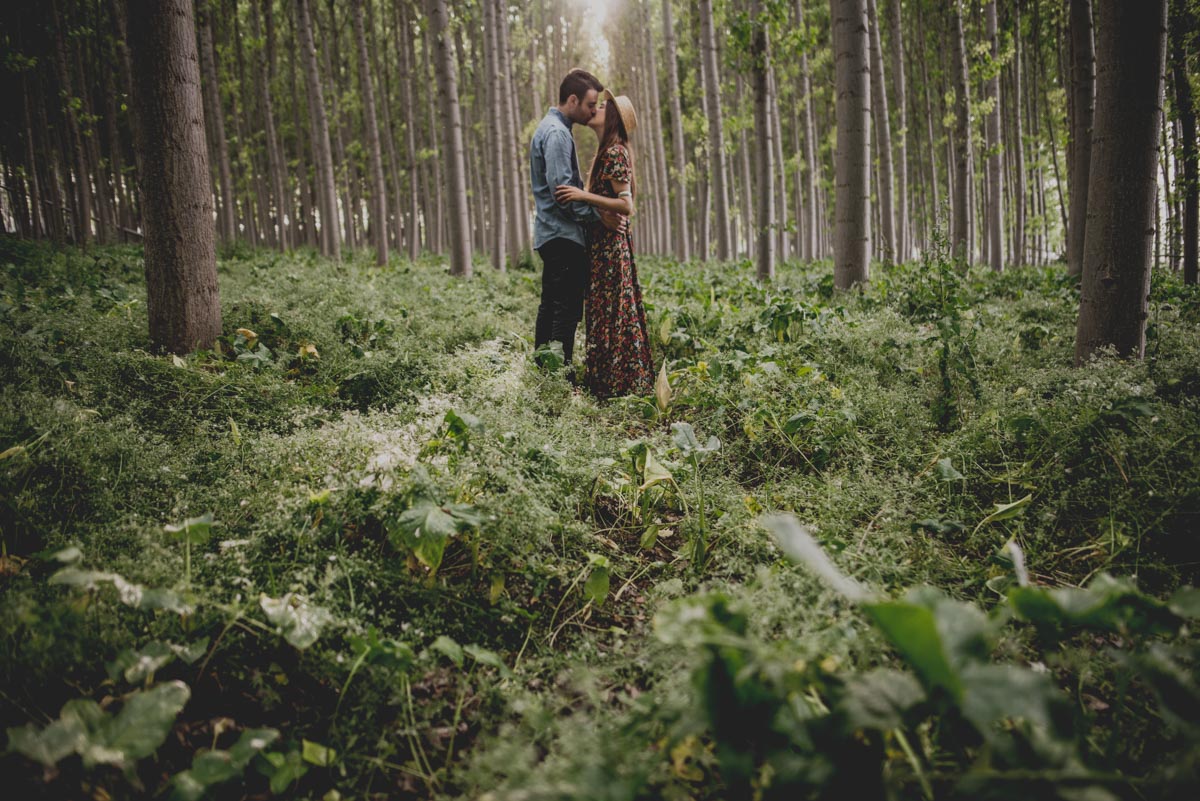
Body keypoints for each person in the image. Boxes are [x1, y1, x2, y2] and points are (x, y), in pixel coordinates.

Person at [554, 91, 654, 399]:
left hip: (611, 250)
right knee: (607, 313)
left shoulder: (614, 153)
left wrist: (583, 196)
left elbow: (626, 205)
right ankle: (609, 384)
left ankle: (617, 386)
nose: (596, 108)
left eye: (603, 106)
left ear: (612, 118)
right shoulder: (606, 151)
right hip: (602, 248)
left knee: (613, 314)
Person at [529, 69, 626, 370]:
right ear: (572, 100)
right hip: (563, 235)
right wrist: (599, 217)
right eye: (590, 104)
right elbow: (564, 196)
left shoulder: (551, 128)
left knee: (551, 305)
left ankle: (543, 370)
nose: (593, 111)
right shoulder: (557, 134)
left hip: (552, 233)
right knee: (566, 309)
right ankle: (559, 376)